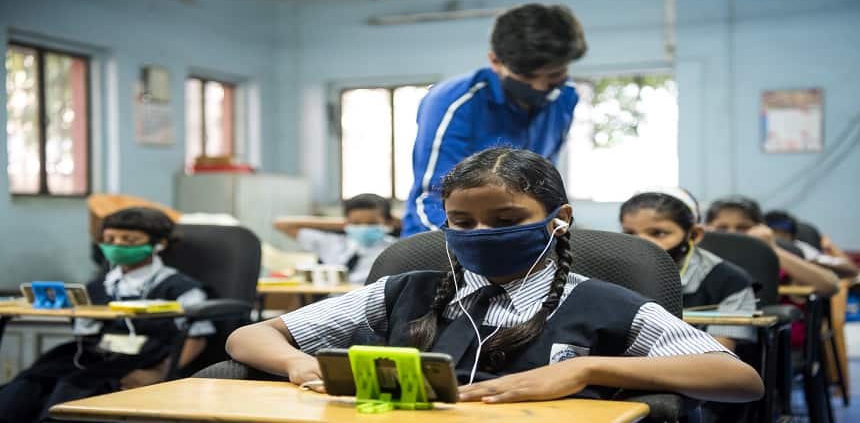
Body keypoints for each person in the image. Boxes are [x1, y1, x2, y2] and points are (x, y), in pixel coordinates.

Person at [228, 148, 763, 405]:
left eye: (505, 221)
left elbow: (740, 379)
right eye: (462, 223)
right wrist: (298, 365)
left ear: (560, 219)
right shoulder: (403, 290)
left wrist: (585, 370)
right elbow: (248, 336)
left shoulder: (606, 303)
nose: (480, 233)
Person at [0, 207, 215, 422]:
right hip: (94, 352)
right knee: (30, 382)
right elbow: (86, 333)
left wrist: (160, 372)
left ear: (159, 243)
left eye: (129, 240)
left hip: (144, 357)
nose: (117, 245)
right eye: (110, 239)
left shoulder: (181, 288)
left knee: (74, 386)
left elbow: (196, 338)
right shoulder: (96, 287)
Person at [401, 3, 587, 237]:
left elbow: (543, 183)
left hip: (520, 236)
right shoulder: (453, 103)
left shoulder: (565, 96)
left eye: (554, 75)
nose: (540, 87)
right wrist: (472, 244)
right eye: (527, 76)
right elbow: (432, 197)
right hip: (443, 237)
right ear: (495, 61)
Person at [620, 188, 757, 352]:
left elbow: (717, 356)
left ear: (694, 235)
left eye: (658, 233)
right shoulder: (608, 273)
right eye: (629, 234)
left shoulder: (731, 282)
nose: (640, 244)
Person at [705, 196, 838, 297]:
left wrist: (770, 249)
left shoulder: (778, 254)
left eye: (742, 227)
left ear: (761, 228)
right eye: (722, 228)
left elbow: (830, 285)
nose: (732, 233)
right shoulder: (700, 255)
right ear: (706, 229)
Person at [275, 193, 397, 284]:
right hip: (332, 302)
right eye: (356, 223)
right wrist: (340, 224)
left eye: (372, 223)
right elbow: (281, 224)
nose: (364, 228)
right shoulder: (331, 243)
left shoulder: (396, 249)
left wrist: (399, 222)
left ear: (388, 222)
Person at [763, 209, 859, 278]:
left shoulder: (801, 249)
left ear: (792, 236)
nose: (779, 240)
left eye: (783, 234)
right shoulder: (758, 250)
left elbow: (852, 270)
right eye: (774, 233)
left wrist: (811, 263)